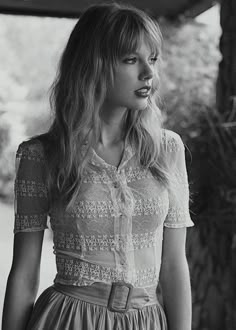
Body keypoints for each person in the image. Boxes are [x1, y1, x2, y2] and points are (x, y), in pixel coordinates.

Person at [2, 2, 195, 329]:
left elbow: (175, 265)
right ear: (93, 66)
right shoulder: (42, 155)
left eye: (152, 59)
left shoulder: (167, 149)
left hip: (145, 320)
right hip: (69, 319)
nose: (148, 73)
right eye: (131, 60)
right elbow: (24, 271)